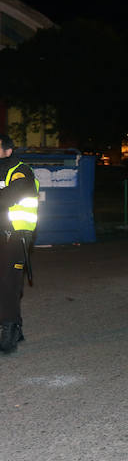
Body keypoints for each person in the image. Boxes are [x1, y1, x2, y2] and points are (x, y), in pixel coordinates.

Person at [0, 134, 38, 353]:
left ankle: (9, 329)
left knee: (7, 283)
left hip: (14, 236)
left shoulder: (21, 171)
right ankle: (16, 325)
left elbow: (8, 197)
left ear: (8, 150)